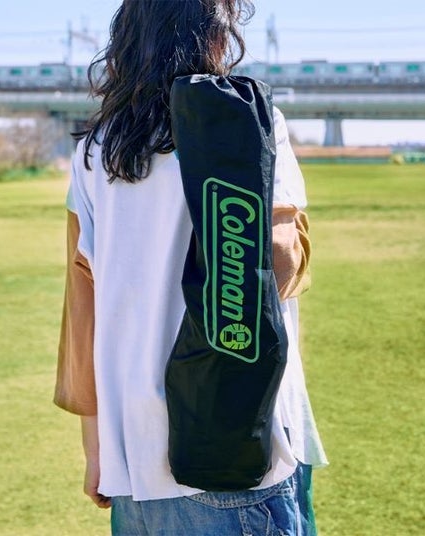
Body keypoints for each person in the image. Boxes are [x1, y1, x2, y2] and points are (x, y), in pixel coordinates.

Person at [54, 1, 327, 534]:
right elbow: (281, 263)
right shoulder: (248, 120)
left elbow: (82, 307)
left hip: (130, 455)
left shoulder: (94, 149)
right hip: (233, 444)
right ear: (215, 38)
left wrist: (96, 448)